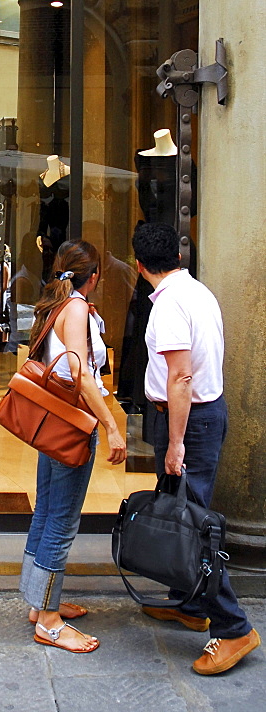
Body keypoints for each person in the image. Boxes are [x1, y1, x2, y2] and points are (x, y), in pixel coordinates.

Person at [131, 221, 261, 675]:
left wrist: (177, 444)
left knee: (193, 526)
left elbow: (181, 377)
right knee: (179, 512)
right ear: (179, 258)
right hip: (201, 414)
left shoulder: (168, 307)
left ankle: (232, 628)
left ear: (140, 264)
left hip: (188, 420)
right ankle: (187, 603)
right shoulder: (199, 292)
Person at [20, 239, 126, 653]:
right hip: (73, 423)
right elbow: (82, 375)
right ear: (94, 276)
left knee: (47, 511)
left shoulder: (58, 305)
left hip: (54, 421)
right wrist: (112, 426)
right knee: (62, 521)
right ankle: (48, 621)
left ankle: (39, 603)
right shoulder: (78, 307)